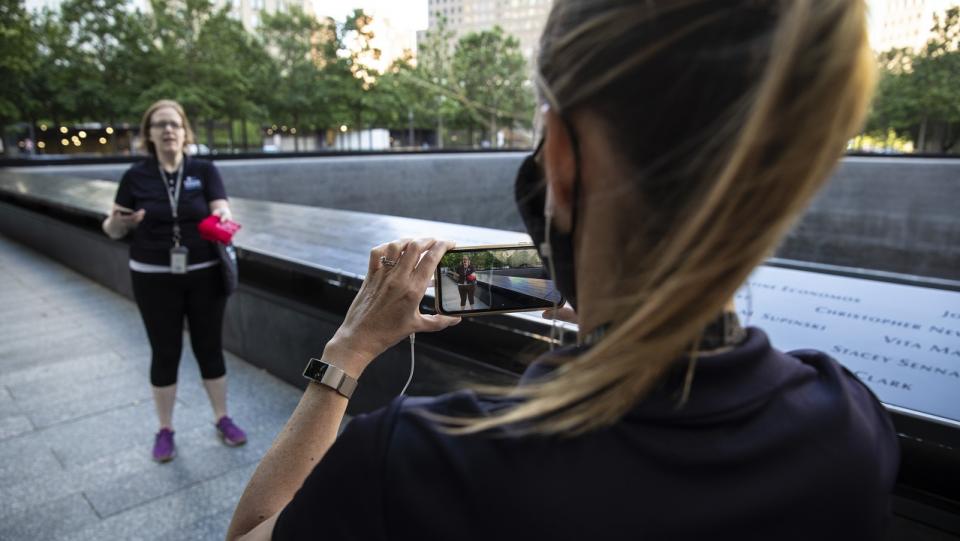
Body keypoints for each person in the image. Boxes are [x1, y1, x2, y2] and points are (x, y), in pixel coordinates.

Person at [228, 1, 898, 539]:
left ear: (565, 162)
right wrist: (631, 313)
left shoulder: (421, 466)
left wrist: (348, 350)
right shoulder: (852, 428)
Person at [102, 99, 247, 463]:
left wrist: (222, 214)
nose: (168, 130)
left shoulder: (204, 169)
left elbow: (221, 206)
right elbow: (111, 228)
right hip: (153, 277)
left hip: (204, 275)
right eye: (160, 125)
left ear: (185, 132)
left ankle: (222, 417)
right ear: (149, 134)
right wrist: (121, 222)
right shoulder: (136, 176)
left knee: (209, 348)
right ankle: (165, 429)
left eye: (175, 124)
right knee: (164, 351)